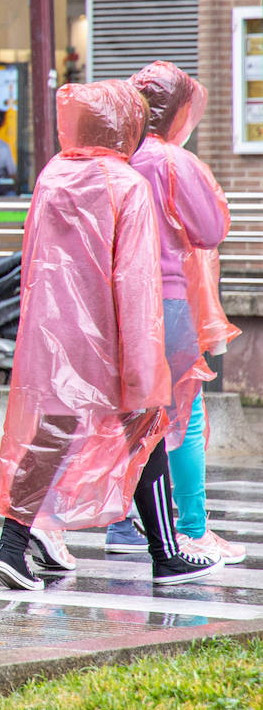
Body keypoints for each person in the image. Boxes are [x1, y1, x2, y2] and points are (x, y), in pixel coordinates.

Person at [0, 80, 221, 591]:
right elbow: (134, 284)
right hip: (110, 339)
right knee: (150, 426)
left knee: (51, 433)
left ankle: (12, 544)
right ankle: (167, 554)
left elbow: (35, 264)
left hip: (55, 337)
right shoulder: (124, 184)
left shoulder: (53, 175)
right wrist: (143, 369)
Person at [127, 61, 244, 564]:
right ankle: (190, 529)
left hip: (119, 302)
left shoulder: (115, 156)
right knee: (182, 413)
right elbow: (211, 228)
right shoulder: (173, 161)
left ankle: (123, 524)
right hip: (170, 299)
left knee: (130, 416)